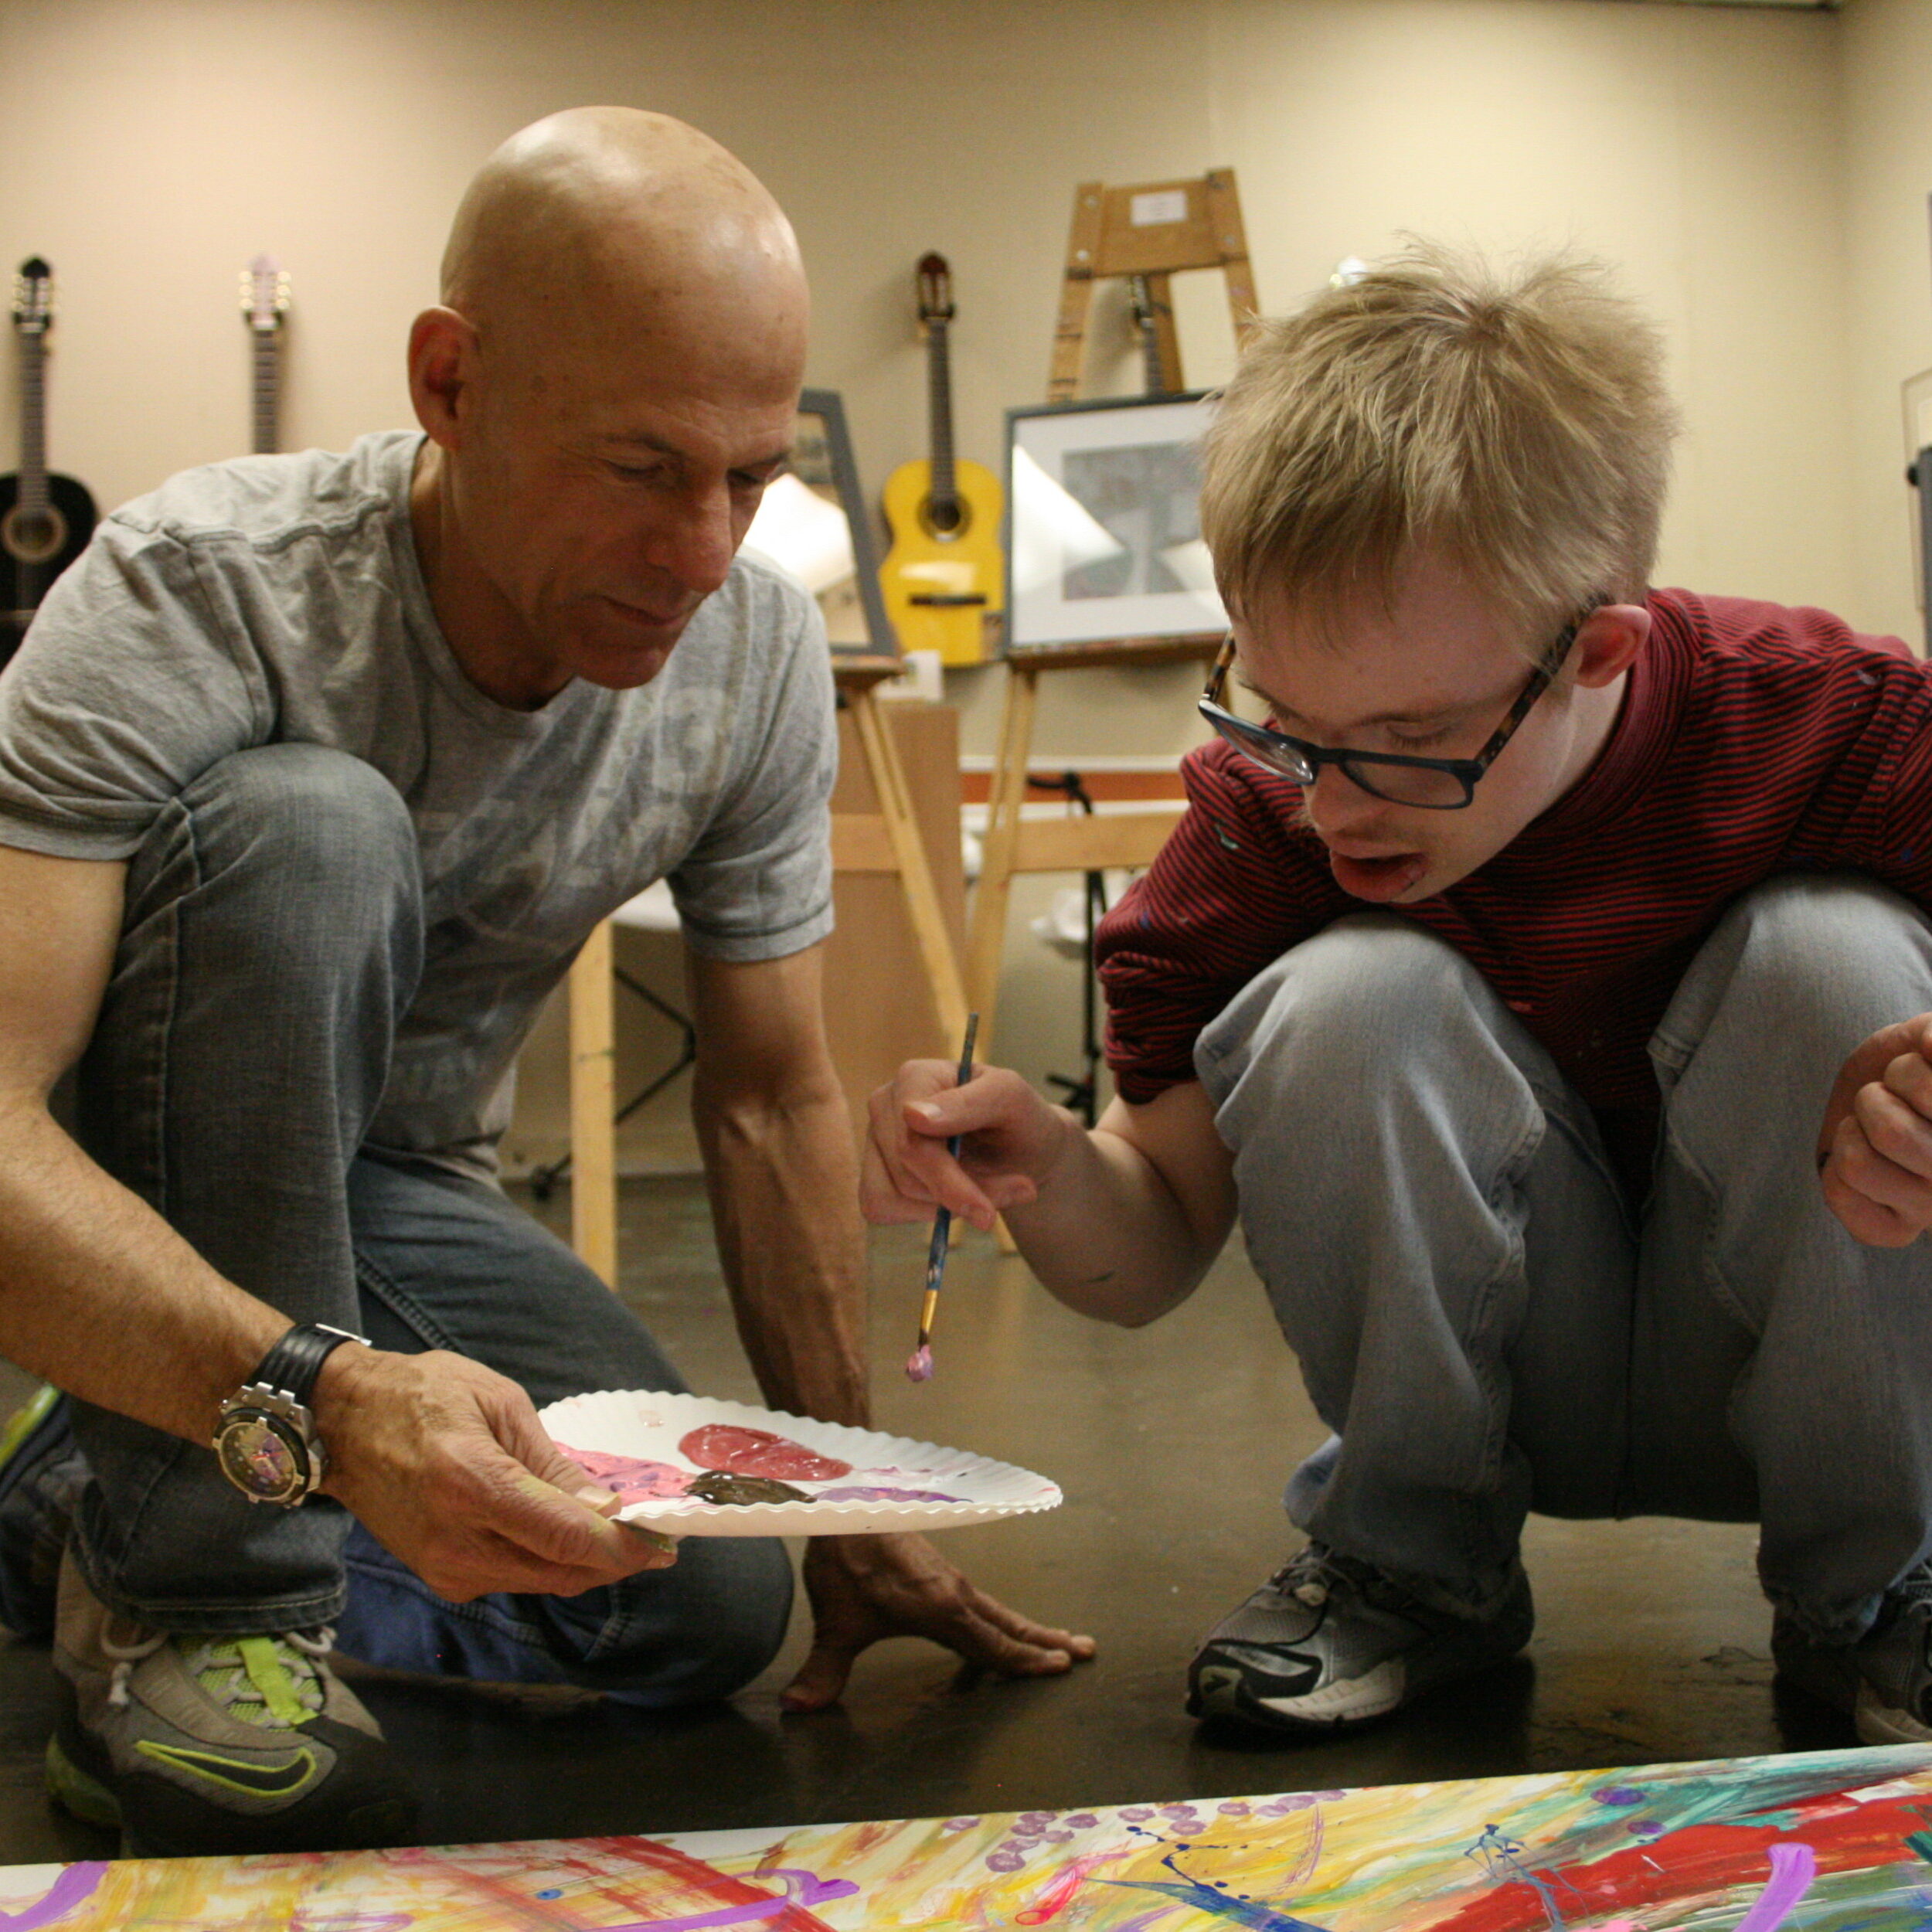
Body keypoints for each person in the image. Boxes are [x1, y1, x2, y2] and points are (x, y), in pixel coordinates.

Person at [0, 106, 1090, 1859]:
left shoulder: (750, 654)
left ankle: (82, 1490)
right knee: (312, 827)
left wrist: (852, 1510)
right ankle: (190, 1611)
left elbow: (765, 1092)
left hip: (394, 1191)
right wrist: (330, 1405)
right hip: (130, 1183)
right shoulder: (197, 594)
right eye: (642, 467)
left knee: (687, 1603)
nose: (702, 548)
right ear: (448, 383)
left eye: (751, 477)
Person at [866, 244, 1932, 1747]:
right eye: (1290, 723)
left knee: (1833, 953)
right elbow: (1151, 1248)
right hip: (1495, 1376)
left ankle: (1875, 1593)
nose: (1330, 803)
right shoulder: (1260, 815)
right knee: (1346, 991)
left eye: (1405, 737)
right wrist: (1045, 1170)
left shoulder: (1842, 728)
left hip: (1802, 1370)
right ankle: (1408, 1564)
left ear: (1596, 651)